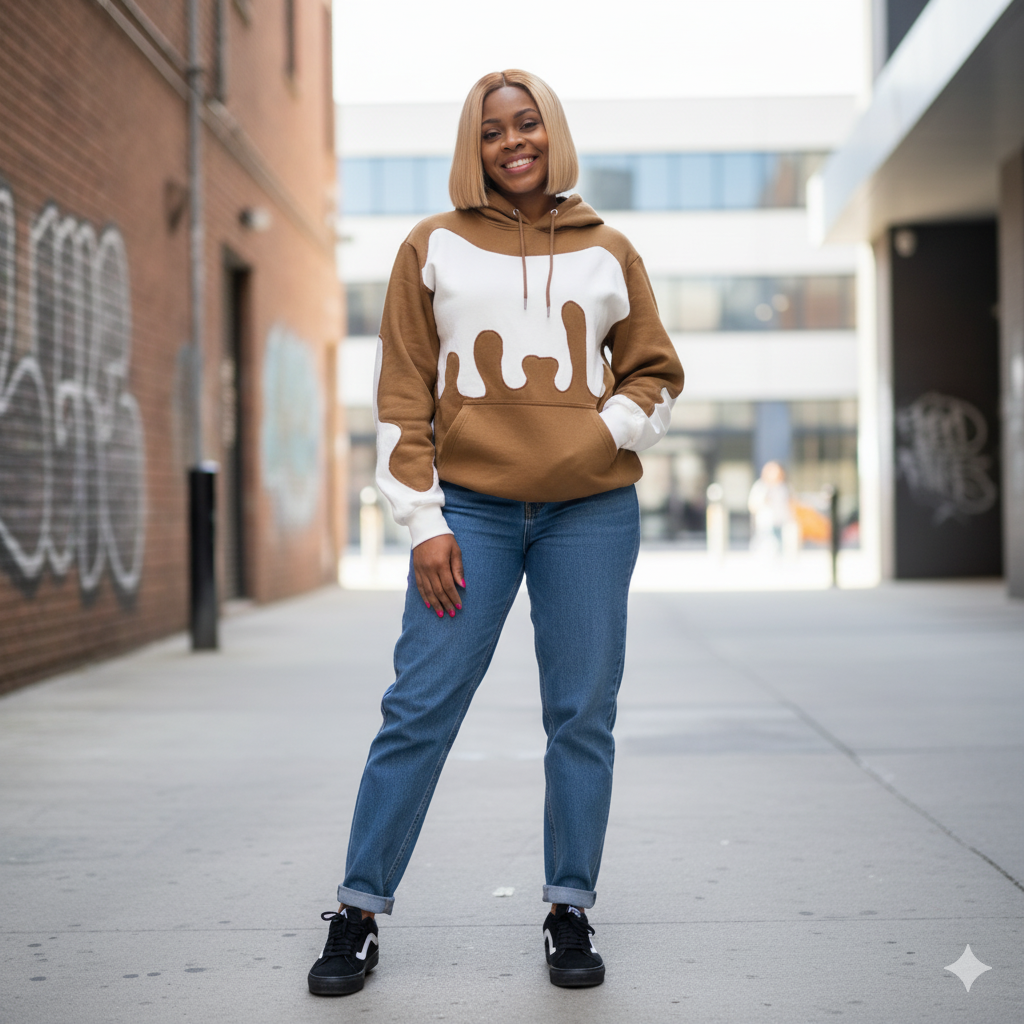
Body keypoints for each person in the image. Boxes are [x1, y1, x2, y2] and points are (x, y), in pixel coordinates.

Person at [308, 69, 684, 997]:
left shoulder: (608, 250)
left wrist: (601, 436)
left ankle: (568, 906)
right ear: (472, 149)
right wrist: (423, 519)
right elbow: (403, 394)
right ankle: (357, 911)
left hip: (589, 512)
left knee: (581, 714)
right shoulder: (429, 247)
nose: (513, 142)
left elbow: (657, 374)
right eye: (492, 132)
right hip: (469, 512)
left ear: (552, 133)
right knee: (419, 707)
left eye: (527, 125)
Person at [747, 460, 793, 554]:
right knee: (766, 546)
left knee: (779, 547)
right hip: (765, 523)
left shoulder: (783, 487)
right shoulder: (761, 487)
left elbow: (789, 504)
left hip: (780, 522)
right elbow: (752, 505)